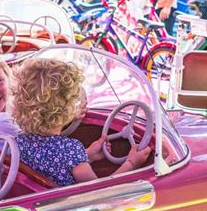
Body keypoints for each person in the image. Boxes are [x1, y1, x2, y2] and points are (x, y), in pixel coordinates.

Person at [11, 58, 151, 187]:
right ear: (66, 109)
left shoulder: (19, 142)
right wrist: (132, 163)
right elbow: (99, 192)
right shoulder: (70, 149)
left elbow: (56, 166)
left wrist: (88, 155)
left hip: (45, 202)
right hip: (70, 208)